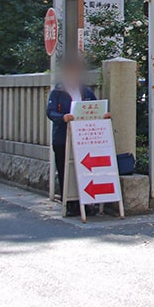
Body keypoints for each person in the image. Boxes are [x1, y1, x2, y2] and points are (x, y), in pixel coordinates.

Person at [45, 57, 109, 214]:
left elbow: (94, 107)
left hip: (84, 138)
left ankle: (87, 202)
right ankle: (70, 203)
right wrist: (63, 117)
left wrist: (103, 115)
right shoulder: (57, 92)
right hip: (63, 137)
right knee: (64, 170)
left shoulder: (85, 91)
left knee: (85, 169)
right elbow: (50, 112)